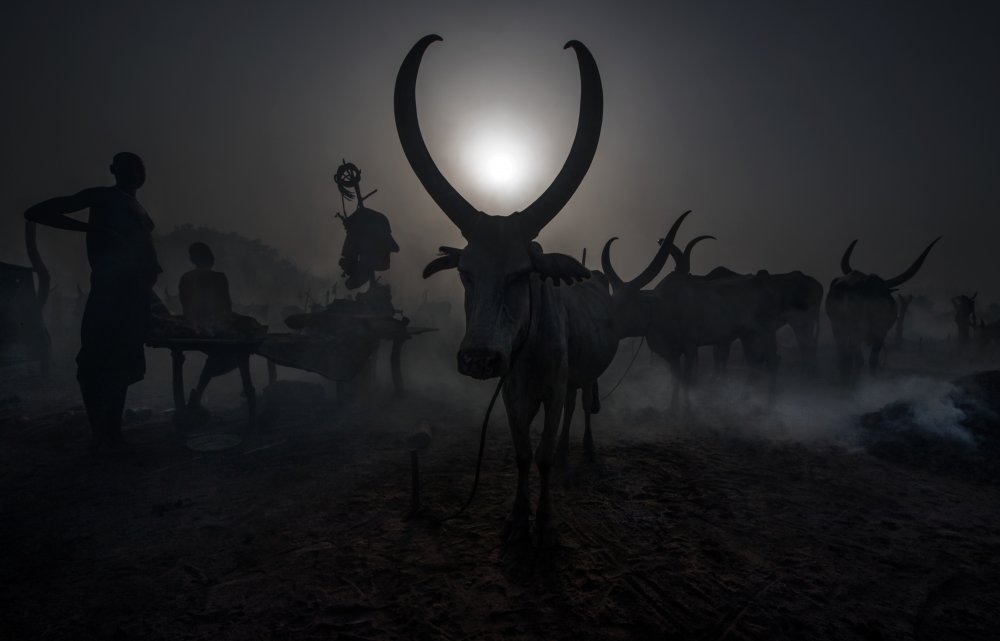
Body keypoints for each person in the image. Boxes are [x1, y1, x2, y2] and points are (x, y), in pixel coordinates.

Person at [24, 152, 161, 455]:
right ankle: (100, 434)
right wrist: (90, 229)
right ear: (114, 171)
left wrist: (154, 300)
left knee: (122, 367)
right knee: (92, 365)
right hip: (109, 293)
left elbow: (144, 260)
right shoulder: (102, 196)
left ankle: (113, 434)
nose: (135, 172)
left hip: (134, 297)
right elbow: (36, 212)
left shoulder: (139, 210)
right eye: (128, 167)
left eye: (139, 167)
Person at [177, 242, 239, 410]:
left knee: (220, 355)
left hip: (191, 328)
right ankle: (198, 392)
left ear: (192, 259)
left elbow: (185, 309)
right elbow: (226, 309)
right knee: (237, 352)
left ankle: (197, 394)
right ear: (209, 258)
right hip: (213, 328)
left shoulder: (185, 278)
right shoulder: (219, 277)